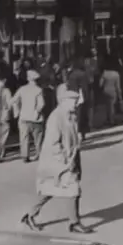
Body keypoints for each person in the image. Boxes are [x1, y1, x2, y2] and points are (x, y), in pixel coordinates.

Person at [21, 89, 92, 234]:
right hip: (58, 161)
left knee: (51, 189)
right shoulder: (56, 117)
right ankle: (74, 223)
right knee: (72, 189)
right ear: (63, 101)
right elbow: (53, 143)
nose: (76, 103)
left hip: (69, 157)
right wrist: (65, 161)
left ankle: (30, 215)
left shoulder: (70, 114)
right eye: (73, 100)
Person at [11, 69, 45, 163]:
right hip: (35, 118)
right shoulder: (38, 90)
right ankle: (39, 153)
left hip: (24, 117)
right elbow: (41, 104)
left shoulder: (22, 89)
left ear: (28, 79)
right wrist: (37, 112)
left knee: (24, 137)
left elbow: (13, 101)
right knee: (38, 138)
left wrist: (16, 111)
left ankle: (25, 156)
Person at [99, 59, 122, 126]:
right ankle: (112, 121)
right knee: (112, 106)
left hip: (105, 91)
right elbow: (118, 86)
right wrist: (120, 96)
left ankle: (108, 119)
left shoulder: (104, 73)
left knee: (108, 106)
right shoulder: (116, 74)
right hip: (113, 91)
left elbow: (100, 84)